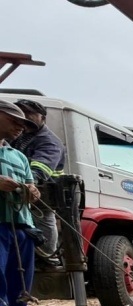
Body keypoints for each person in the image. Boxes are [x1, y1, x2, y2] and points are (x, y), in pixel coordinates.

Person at [0, 100, 41, 306]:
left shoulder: (19, 157)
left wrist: (32, 191)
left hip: (22, 225)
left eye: (24, 125)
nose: (20, 128)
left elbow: (31, 186)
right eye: (14, 121)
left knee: (20, 279)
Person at [11, 99, 66, 269]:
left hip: (43, 194)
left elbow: (40, 169)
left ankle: (48, 259)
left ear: (42, 117)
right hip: (20, 191)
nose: (24, 116)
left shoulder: (49, 141)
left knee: (44, 222)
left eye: (29, 113)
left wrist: (26, 182)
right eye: (21, 112)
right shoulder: (19, 136)